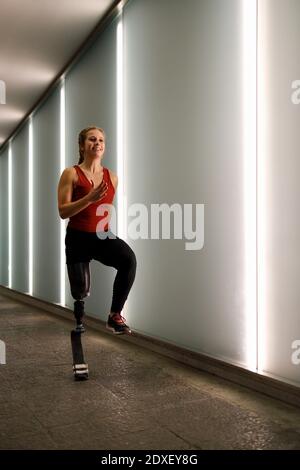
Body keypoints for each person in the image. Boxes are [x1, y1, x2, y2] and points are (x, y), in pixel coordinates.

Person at [57, 126, 136, 334]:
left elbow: (104, 209)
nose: (97, 143)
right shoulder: (71, 173)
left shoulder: (112, 177)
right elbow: (63, 212)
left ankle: (114, 315)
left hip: (102, 235)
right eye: (92, 139)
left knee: (128, 260)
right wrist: (89, 198)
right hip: (77, 238)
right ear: (82, 146)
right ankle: (79, 318)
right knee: (80, 291)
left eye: (101, 140)